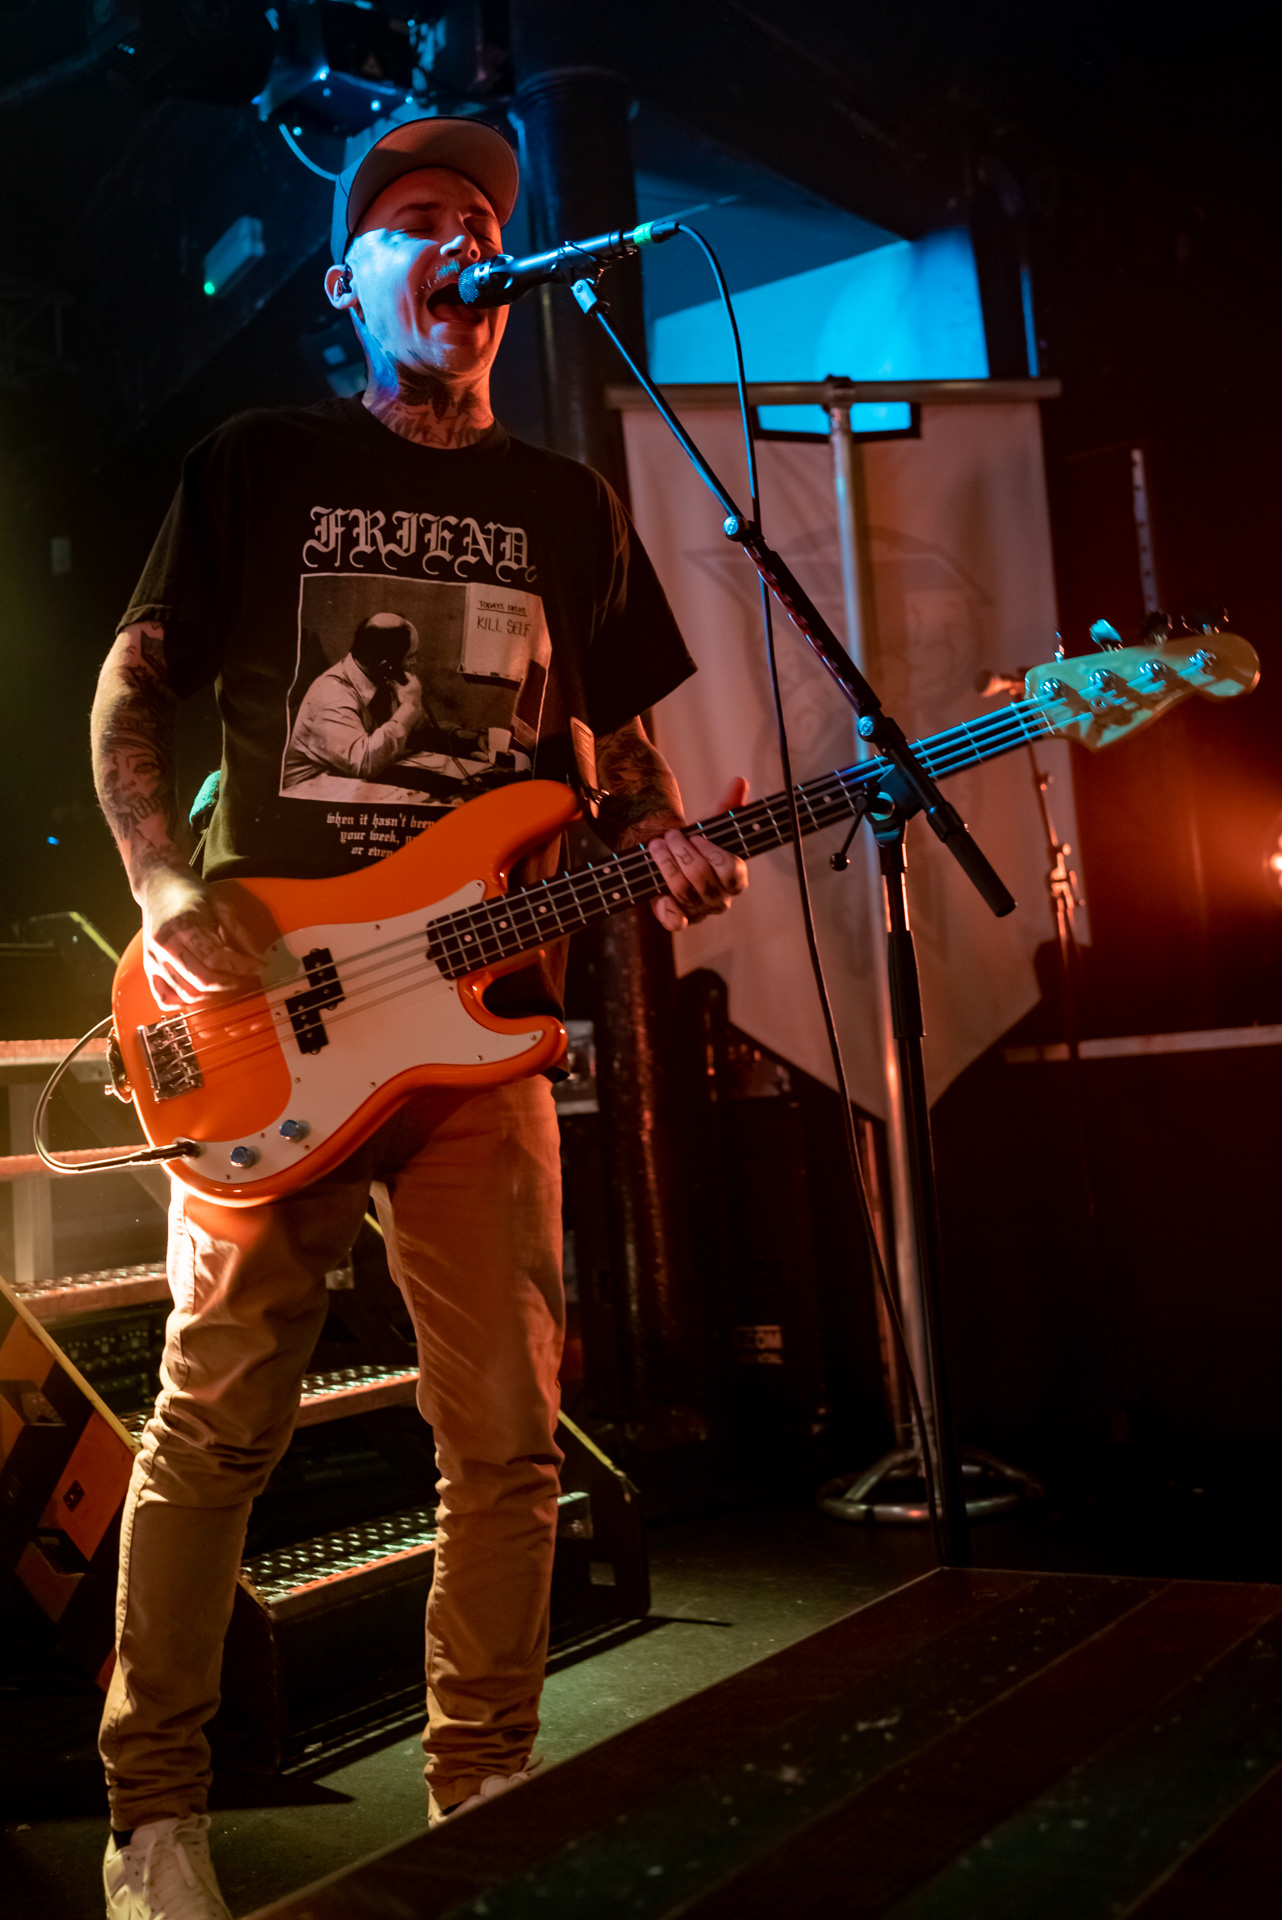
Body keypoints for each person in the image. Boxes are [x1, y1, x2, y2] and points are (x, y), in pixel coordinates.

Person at [89, 115, 747, 1920]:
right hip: (273, 1004)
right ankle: (155, 1817)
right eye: (415, 222)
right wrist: (162, 893)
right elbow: (131, 691)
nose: (459, 242)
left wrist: (664, 842)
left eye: (478, 220)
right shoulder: (261, 460)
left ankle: (487, 1801)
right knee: (215, 1419)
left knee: (508, 1437)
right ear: (346, 280)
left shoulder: (570, 506)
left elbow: (610, 758)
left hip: (486, 1029)